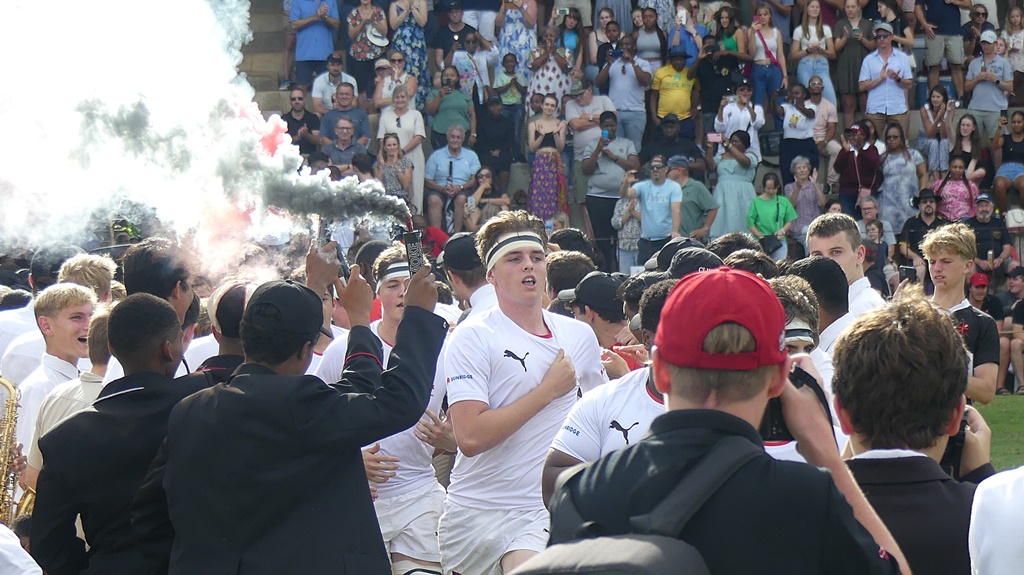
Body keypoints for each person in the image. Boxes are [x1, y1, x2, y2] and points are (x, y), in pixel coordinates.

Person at [546, 266, 908, 574]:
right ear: (779, 378)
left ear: (659, 370)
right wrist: (831, 461)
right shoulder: (806, 497)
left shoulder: (582, 493)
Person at [134, 249, 446, 573]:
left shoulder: (190, 410)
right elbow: (398, 402)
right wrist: (414, 316)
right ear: (305, 350)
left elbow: (149, 515)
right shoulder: (303, 406)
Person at [440, 211, 607, 575]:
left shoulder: (578, 337)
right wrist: (547, 391)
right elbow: (469, 437)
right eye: (514, 259)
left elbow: (603, 422)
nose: (528, 266)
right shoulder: (473, 336)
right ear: (492, 275)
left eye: (536, 257)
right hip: (474, 513)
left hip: (543, 508)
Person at [30, 294, 212, 575]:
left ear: (111, 348)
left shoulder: (64, 439)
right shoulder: (207, 407)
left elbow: (48, 545)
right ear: (168, 349)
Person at [835, 296, 995, 575]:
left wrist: (837, 469)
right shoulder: (984, 515)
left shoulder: (805, 513)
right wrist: (982, 475)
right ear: (957, 415)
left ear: (841, 413)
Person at [542, 277, 676, 500]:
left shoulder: (728, 399)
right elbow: (552, 481)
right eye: (676, 329)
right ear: (646, 338)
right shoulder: (603, 400)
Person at [916, 224, 998, 405]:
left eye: (946, 261)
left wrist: (939, 374)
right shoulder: (914, 315)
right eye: (932, 261)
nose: (937, 268)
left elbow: (986, 391)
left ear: (967, 266)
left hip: (957, 423)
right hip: (910, 424)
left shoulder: (983, 323)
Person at [15, 284, 96, 456]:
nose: (89, 325)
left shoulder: (78, 377)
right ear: (47, 326)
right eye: (77, 317)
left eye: (92, 316)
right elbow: (29, 464)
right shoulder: (41, 386)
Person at [582, 111, 640, 271]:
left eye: (612, 125)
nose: (610, 128)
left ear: (616, 126)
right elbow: (585, 169)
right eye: (606, 126)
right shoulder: (592, 144)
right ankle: (606, 271)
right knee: (603, 239)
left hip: (621, 198)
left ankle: (622, 270)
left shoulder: (627, 143)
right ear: (601, 127)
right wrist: (598, 150)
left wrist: (613, 156)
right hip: (598, 197)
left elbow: (635, 166)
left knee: (622, 236)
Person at [807, 212, 886, 317]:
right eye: (818, 255)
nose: (825, 262)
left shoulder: (868, 310)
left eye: (836, 252)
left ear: (860, 254)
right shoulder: (822, 308)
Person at [565, 78, 617, 228]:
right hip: (581, 158)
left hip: (606, 157)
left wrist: (587, 117)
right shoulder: (570, 104)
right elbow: (576, 124)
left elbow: (612, 119)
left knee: (608, 196)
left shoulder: (603, 100)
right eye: (575, 95)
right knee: (582, 199)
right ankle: (591, 236)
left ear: (590, 90)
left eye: (581, 94)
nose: (578, 98)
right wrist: (599, 120)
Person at [620, 155, 684, 263]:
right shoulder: (643, 186)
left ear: (666, 169)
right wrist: (626, 182)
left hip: (666, 239)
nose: (655, 169)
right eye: (652, 167)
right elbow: (625, 195)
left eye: (659, 166)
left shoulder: (673, 187)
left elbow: (676, 210)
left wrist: (675, 231)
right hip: (646, 240)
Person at [596, 35, 652, 150]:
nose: (624, 47)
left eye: (628, 44)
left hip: (635, 113)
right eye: (622, 45)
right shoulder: (612, 63)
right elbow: (598, 82)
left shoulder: (642, 63)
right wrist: (609, 64)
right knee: (615, 148)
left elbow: (646, 81)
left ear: (634, 47)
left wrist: (632, 62)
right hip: (615, 113)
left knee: (634, 149)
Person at [424, 124, 481, 234]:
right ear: (447, 137)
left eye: (458, 137)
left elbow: (475, 178)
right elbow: (427, 180)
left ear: (463, 139)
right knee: (433, 200)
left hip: (463, 188)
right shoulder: (436, 155)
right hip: (440, 188)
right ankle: (437, 235)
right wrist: (441, 189)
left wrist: (460, 187)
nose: (455, 140)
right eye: (452, 137)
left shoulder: (471, 155)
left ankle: (456, 236)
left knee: (461, 200)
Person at [376, 86, 425, 212]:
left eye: (403, 97)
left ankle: (416, 220)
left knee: (415, 190)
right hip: (391, 157)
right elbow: (382, 137)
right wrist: (389, 153)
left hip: (413, 155)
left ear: (408, 98)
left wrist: (402, 152)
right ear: (393, 99)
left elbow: (419, 136)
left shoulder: (416, 115)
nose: (400, 100)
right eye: (397, 97)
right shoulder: (386, 116)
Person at [859, 22, 913, 136]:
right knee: (871, 144)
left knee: (899, 144)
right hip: (875, 108)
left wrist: (897, 79)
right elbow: (862, 86)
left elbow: (909, 84)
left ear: (892, 37)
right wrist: (880, 79)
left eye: (885, 36)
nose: (882, 39)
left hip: (897, 108)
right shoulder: (868, 60)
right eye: (878, 37)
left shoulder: (902, 58)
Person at [876, 122, 928, 231]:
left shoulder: (914, 154)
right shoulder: (882, 158)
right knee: (891, 238)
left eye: (895, 137)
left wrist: (922, 193)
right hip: (888, 205)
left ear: (902, 138)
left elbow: (923, 174)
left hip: (909, 202)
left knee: (910, 235)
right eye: (889, 137)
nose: (891, 140)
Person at [966, 30, 1013, 146]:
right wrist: (977, 79)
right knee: (972, 141)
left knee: (998, 143)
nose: (985, 46)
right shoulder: (974, 63)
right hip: (976, 107)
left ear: (994, 44)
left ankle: (998, 165)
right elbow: (966, 88)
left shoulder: (1004, 63)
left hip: (997, 108)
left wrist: (995, 80)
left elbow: (1010, 87)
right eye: (983, 43)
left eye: (988, 43)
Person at [915, 0, 970, 101]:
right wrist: (924, 24)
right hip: (933, 31)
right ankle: (933, 99)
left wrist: (955, 1)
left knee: (957, 65)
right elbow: (918, 6)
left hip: (954, 30)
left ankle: (961, 99)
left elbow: (969, 4)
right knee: (933, 66)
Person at [707, 130, 758, 237]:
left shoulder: (750, 155)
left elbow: (745, 163)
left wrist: (729, 145)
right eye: (732, 141)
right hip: (723, 193)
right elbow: (711, 166)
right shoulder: (722, 156)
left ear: (745, 143)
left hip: (742, 194)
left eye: (736, 141)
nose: (733, 143)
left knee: (742, 220)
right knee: (721, 220)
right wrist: (710, 149)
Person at [526, 94, 569, 221]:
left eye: (552, 105)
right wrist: (541, 136)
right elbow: (532, 148)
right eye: (547, 105)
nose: (549, 108)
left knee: (555, 193)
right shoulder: (534, 124)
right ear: (542, 105)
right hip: (540, 161)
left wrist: (555, 133)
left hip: (555, 160)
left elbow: (560, 147)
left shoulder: (560, 124)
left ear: (556, 108)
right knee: (538, 193)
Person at [692, 35, 741, 144]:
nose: (711, 49)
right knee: (712, 138)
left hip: (728, 108)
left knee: (728, 135)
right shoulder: (701, 63)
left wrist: (727, 52)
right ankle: (713, 156)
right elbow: (690, 76)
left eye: (713, 46)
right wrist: (699, 59)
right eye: (708, 46)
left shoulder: (727, 59)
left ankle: (727, 153)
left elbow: (749, 58)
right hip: (709, 108)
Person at [835, 0, 875, 129]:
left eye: (853, 7)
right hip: (845, 67)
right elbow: (836, 47)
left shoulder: (867, 24)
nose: (850, 9)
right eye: (848, 7)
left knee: (865, 105)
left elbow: (873, 46)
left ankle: (866, 137)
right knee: (848, 106)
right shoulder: (840, 24)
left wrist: (862, 39)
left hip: (863, 66)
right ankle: (849, 139)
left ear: (858, 8)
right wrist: (845, 38)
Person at [747, 3, 788, 127]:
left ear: (770, 16)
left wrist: (785, 75)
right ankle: (757, 136)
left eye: (765, 14)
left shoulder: (776, 32)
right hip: (758, 67)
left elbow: (780, 54)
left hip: (774, 68)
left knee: (778, 103)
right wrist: (753, 32)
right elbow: (752, 52)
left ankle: (780, 135)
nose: (763, 17)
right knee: (758, 104)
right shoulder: (752, 31)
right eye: (760, 15)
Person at [791, 0, 837, 105]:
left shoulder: (826, 29)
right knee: (807, 100)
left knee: (831, 101)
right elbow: (793, 55)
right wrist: (807, 50)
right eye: (812, 7)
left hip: (822, 65)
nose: (815, 9)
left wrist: (822, 50)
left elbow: (833, 54)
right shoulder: (799, 30)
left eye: (817, 7)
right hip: (805, 64)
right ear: (806, 9)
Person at [289, 0, 341, 92]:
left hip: (325, 54)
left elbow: (336, 25)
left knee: (328, 89)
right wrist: (314, 17)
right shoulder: (298, 1)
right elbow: (294, 25)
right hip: (304, 54)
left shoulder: (331, 1)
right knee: (301, 90)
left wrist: (324, 17)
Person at [649, 46, 697, 141]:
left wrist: (695, 108)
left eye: (681, 59)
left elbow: (696, 91)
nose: (679, 62)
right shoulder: (660, 72)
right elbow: (654, 96)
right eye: (676, 59)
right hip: (663, 117)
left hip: (685, 118)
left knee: (686, 146)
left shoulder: (690, 73)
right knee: (662, 147)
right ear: (671, 60)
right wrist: (654, 117)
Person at [773, 83, 818, 186]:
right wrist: (774, 100)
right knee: (787, 173)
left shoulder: (811, 106)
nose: (793, 95)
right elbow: (777, 111)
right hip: (789, 144)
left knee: (807, 174)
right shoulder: (787, 107)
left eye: (796, 93)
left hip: (805, 144)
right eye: (792, 93)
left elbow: (810, 114)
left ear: (803, 95)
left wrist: (794, 103)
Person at [898, 188, 950, 277]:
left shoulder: (944, 223)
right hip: (918, 262)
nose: (928, 204)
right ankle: (919, 291)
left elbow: (951, 246)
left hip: (940, 260)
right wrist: (914, 257)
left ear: (936, 204)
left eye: (931, 201)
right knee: (920, 269)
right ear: (919, 205)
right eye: (924, 202)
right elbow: (903, 248)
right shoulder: (911, 223)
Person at [388, 0, 430, 108]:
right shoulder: (394, 5)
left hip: (417, 43)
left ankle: (420, 107)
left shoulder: (422, 2)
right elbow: (393, 25)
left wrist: (413, 9)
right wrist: (405, 12)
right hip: (401, 43)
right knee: (401, 70)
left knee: (418, 74)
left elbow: (423, 22)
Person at [665, 154, 717, 240]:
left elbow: (713, 207)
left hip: (689, 240)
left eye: (669, 170)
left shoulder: (696, 187)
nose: (666, 173)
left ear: (679, 170)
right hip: (667, 239)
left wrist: (705, 229)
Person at [748, 172, 798, 260]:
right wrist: (761, 237)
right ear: (764, 187)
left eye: (774, 188)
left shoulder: (783, 201)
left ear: (778, 187)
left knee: (779, 266)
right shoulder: (756, 202)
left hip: (778, 240)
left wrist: (782, 231)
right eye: (768, 188)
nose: (771, 191)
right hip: (760, 242)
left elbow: (789, 220)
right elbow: (750, 223)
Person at [425, 66, 476, 152]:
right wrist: (440, 96)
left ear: (457, 78)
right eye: (446, 75)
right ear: (442, 78)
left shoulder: (464, 95)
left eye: (452, 75)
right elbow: (430, 111)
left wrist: (473, 134)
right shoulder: (434, 93)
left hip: (462, 135)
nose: (449, 77)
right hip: (440, 134)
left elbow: (472, 115)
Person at [713, 78, 765, 161]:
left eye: (748, 90)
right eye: (742, 90)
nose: (745, 92)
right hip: (728, 150)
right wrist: (721, 108)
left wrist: (748, 106)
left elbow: (758, 124)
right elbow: (719, 128)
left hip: (749, 151)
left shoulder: (757, 108)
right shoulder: (728, 107)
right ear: (736, 92)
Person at [834, 122, 881, 216]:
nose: (851, 137)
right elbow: (837, 168)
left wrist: (860, 150)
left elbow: (873, 164)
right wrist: (845, 152)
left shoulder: (871, 150)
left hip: (867, 193)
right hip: (847, 193)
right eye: (850, 134)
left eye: (855, 134)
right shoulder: (847, 150)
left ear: (863, 136)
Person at [490, 53, 529, 155]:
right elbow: (497, 90)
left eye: (512, 61)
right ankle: (505, 152)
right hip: (504, 107)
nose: (509, 64)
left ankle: (516, 155)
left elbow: (524, 91)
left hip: (517, 107)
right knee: (504, 130)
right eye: (507, 62)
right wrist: (509, 84)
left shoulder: (519, 76)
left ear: (516, 63)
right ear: (503, 64)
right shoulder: (500, 76)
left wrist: (516, 83)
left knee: (516, 132)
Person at [475, 96, 515, 192]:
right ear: (488, 107)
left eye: (497, 105)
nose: (495, 108)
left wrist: (500, 150)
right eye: (492, 105)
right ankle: (487, 192)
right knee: (485, 162)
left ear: (502, 106)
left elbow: (510, 140)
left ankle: (502, 193)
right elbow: (480, 141)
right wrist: (490, 151)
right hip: (486, 152)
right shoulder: (482, 122)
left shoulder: (508, 122)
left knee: (505, 161)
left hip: (502, 151)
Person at [915, 85, 955, 181]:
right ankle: (935, 174)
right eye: (933, 97)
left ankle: (944, 173)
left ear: (943, 99)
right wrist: (937, 119)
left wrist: (943, 118)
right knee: (934, 143)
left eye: (938, 97)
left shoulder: (950, 110)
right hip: (924, 139)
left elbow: (944, 135)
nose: (935, 99)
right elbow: (930, 135)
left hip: (941, 139)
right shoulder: (925, 110)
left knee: (944, 142)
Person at [786, 156, 825, 250]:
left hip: (815, 224)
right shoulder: (789, 187)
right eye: (799, 168)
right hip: (799, 227)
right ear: (794, 171)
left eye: (804, 167)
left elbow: (822, 203)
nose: (802, 170)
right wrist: (798, 188)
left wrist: (815, 184)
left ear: (809, 170)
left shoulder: (816, 185)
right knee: (809, 241)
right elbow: (791, 205)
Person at [495, 0, 538, 85]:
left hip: (524, 44)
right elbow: (498, 24)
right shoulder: (507, 1)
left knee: (524, 73)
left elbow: (531, 23)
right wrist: (503, 10)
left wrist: (521, 8)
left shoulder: (530, 2)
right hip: (507, 44)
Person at [320, 83, 372, 147]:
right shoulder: (328, 116)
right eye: (341, 94)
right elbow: (323, 138)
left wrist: (351, 149)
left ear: (353, 97)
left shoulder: (361, 114)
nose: (344, 97)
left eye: (347, 94)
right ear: (336, 96)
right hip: (333, 153)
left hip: (356, 153)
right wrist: (337, 149)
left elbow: (365, 138)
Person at [432, 1, 479, 71]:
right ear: (448, 14)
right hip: (449, 70)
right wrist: (452, 51)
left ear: (462, 13)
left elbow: (478, 55)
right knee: (437, 81)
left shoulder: (471, 31)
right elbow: (439, 62)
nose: (454, 15)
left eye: (457, 12)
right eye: (451, 12)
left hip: (469, 69)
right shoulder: (441, 33)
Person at [992, 111, 1024, 214]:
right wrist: (999, 128)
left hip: (1021, 170)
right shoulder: (1006, 138)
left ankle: (1022, 214)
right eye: (1014, 122)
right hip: (1005, 169)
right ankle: (1003, 215)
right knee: (999, 184)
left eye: (1019, 122)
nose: (1016, 124)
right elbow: (995, 146)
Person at [464, 166, 512, 233]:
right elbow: (471, 205)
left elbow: (507, 201)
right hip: (480, 221)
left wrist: (485, 200)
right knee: (474, 210)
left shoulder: (498, 190)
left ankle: (505, 232)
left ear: (492, 178)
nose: (484, 178)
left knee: (504, 207)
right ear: (477, 180)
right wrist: (482, 187)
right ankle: (474, 235)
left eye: (487, 176)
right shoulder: (474, 192)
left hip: (495, 218)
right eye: (480, 177)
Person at [932, 155, 979, 221]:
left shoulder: (971, 186)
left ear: (964, 169)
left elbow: (974, 205)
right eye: (954, 167)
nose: (957, 170)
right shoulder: (938, 185)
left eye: (960, 167)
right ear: (949, 168)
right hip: (943, 220)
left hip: (965, 221)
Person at [951, 113, 990, 186]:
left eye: (968, 125)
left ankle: (963, 186)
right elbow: (948, 127)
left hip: (966, 176)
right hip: (953, 173)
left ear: (973, 128)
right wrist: (949, 112)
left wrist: (965, 178)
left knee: (981, 171)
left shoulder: (976, 145)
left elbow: (970, 171)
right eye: (963, 125)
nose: (965, 128)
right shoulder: (954, 141)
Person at [374, 132, 414, 202]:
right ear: (384, 147)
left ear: (398, 146)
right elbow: (377, 185)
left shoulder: (406, 162)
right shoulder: (378, 164)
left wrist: (396, 166)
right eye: (389, 145)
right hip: (384, 197)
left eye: (394, 145)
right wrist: (382, 166)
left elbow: (406, 185)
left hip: (400, 197)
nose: (392, 148)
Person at [282, 89, 321, 156]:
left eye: (300, 99)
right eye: (293, 99)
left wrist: (306, 135)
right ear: (290, 102)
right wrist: (298, 137)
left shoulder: (313, 118)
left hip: (310, 156)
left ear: (304, 100)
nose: (297, 101)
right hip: (290, 157)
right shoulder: (284, 119)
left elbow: (318, 141)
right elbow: (281, 143)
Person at [611, 193, 642, 273]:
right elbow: (614, 223)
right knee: (625, 277)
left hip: (640, 248)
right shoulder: (620, 203)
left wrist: (633, 212)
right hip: (623, 247)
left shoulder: (645, 202)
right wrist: (628, 214)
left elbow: (649, 221)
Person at [586, 9, 617, 85]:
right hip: (597, 65)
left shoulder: (621, 34)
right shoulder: (593, 35)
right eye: (602, 18)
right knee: (598, 73)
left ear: (612, 18)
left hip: (616, 64)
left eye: (607, 17)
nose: (604, 20)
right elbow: (594, 59)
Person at [963, 3, 996, 68]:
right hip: (970, 56)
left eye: (983, 14)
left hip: (986, 54)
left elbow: (992, 48)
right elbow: (968, 53)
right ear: (972, 15)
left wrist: (981, 36)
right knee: (973, 61)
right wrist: (974, 38)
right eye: (977, 14)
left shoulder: (989, 27)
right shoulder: (966, 28)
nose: (980, 16)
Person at [1003, 7, 1024, 105]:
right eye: (1013, 17)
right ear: (1009, 19)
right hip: (1008, 60)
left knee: (1018, 72)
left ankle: (1014, 97)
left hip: (1021, 61)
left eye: (1017, 16)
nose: (1015, 19)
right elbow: (1000, 49)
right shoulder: (1005, 33)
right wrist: (1009, 50)